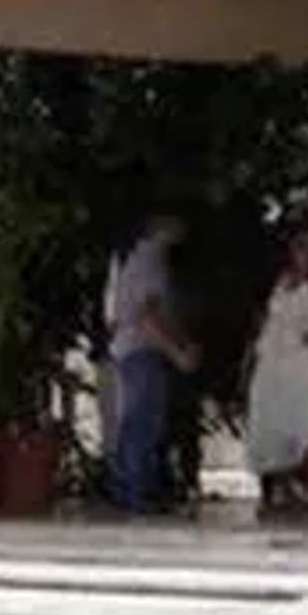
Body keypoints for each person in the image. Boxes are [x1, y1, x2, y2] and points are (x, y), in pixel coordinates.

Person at [242, 223, 308, 518]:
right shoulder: (282, 281)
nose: (305, 253)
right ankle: (282, 490)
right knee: (277, 424)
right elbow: (268, 322)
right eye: (300, 246)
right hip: (278, 364)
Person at [101, 210, 201, 513]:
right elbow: (147, 317)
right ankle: (137, 493)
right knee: (143, 423)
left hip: (129, 348)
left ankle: (126, 490)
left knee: (136, 421)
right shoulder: (150, 261)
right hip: (140, 349)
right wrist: (177, 352)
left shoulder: (132, 259)